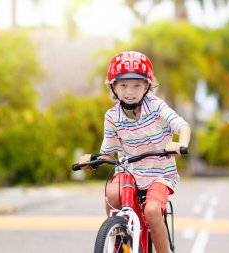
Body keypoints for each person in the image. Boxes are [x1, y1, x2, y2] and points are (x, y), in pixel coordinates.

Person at [78, 51, 191, 253]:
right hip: (129, 170)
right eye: (123, 85)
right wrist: (93, 159)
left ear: (147, 85)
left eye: (137, 85)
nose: (129, 91)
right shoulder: (112, 116)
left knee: (153, 211)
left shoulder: (156, 107)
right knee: (113, 194)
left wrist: (179, 144)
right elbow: (109, 153)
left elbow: (182, 126)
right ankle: (118, 238)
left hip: (159, 173)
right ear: (113, 86)